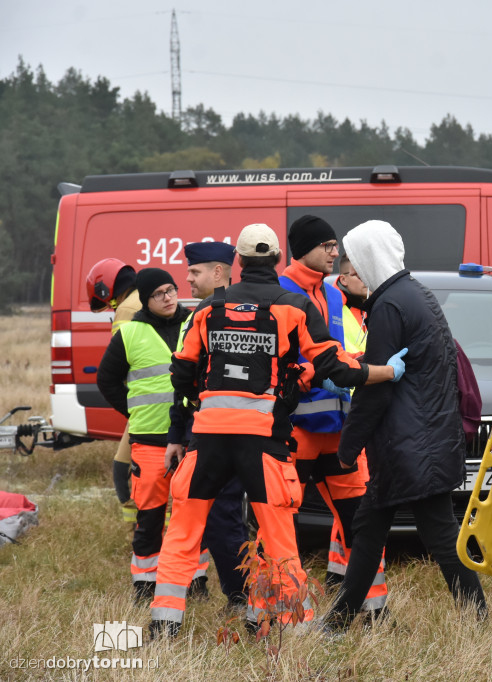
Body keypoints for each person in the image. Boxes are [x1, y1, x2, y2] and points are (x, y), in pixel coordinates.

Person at [148, 223, 406, 637]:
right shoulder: (293, 306)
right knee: (280, 537)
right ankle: (292, 628)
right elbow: (332, 367)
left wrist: (202, 400)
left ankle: (164, 626)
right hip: (264, 442)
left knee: (182, 533)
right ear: (275, 260)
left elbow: (181, 372)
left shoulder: (208, 310)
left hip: (208, 439)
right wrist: (387, 371)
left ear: (240, 261)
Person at [322, 219, 487, 633]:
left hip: (406, 445)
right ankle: (340, 622)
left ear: (370, 260)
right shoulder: (413, 294)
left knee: (427, 537)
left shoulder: (390, 306)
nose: (349, 271)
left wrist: (349, 444)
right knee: (374, 530)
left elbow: (377, 387)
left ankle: (477, 618)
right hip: (425, 440)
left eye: (356, 261)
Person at [279, 215, 386, 611]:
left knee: (361, 522)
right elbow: (280, 360)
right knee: (281, 522)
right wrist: (314, 375)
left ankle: (374, 611)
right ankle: (281, 611)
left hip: (340, 427)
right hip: (296, 429)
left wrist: (357, 368)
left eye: (334, 245)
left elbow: (337, 353)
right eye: (326, 245)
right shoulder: (280, 293)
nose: (334, 251)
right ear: (303, 249)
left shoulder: (335, 295)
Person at [96, 267, 206, 603]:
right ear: (145, 299)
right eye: (159, 293)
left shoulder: (196, 322)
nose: (168, 297)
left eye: (171, 289)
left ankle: (196, 581)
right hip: (148, 439)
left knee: (191, 513)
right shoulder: (129, 333)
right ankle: (144, 585)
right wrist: (134, 412)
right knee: (150, 516)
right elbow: (106, 380)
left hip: (193, 434)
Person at [163, 241, 250, 609]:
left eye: (194, 272)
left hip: (219, 430)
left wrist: (181, 433)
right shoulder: (201, 312)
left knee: (220, 514)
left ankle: (241, 595)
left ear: (218, 272)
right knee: (220, 514)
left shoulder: (212, 313)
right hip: (224, 428)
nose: (187, 279)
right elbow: (184, 383)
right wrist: (176, 435)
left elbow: (184, 380)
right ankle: (240, 594)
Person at [87, 258, 142, 526]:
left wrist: (132, 408)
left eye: (108, 302)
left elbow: (118, 365)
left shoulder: (127, 308)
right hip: (156, 402)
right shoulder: (144, 297)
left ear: (107, 290)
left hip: (147, 405)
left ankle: (143, 535)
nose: (110, 308)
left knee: (125, 474)